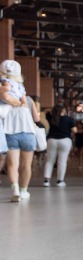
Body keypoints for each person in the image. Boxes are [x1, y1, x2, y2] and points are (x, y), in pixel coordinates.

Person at [0, 60, 41, 202]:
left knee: (12, 164)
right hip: (28, 131)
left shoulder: (4, 83)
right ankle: (24, 191)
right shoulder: (22, 89)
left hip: (10, 130)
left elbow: (5, 93)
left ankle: (15, 189)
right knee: (26, 165)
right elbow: (25, 104)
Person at [43, 104, 77, 187]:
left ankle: (46, 181)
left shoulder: (51, 118)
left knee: (50, 161)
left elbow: (45, 111)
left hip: (52, 140)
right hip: (65, 140)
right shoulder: (69, 119)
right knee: (62, 161)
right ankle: (60, 181)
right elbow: (75, 131)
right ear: (64, 111)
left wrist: (52, 110)